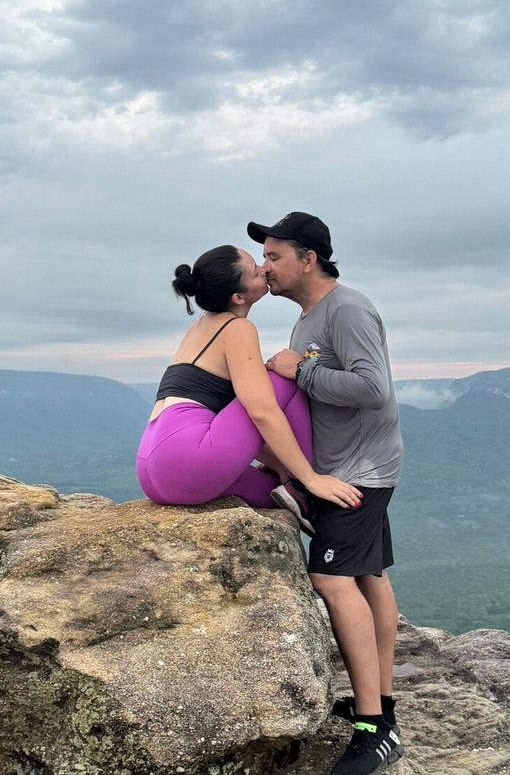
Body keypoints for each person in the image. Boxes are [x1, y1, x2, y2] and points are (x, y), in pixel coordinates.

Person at [251, 213, 404, 775]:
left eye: (273, 257)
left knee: (331, 579)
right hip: (344, 466)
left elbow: (373, 389)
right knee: (369, 577)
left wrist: (304, 368)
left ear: (307, 258)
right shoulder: (308, 317)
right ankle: (381, 703)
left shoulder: (348, 309)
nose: (265, 267)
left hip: (360, 470)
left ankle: (375, 731)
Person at [135, 244, 362, 517]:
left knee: (273, 492)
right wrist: (311, 478)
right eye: (255, 271)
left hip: (152, 471)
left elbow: (231, 423)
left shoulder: (199, 327)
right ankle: (300, 484)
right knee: (284, 378)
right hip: (189, 460)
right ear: (238, 297)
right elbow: (261, 412)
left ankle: (291, 485)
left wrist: (278, 464)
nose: (265, 269)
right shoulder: (237, 328)